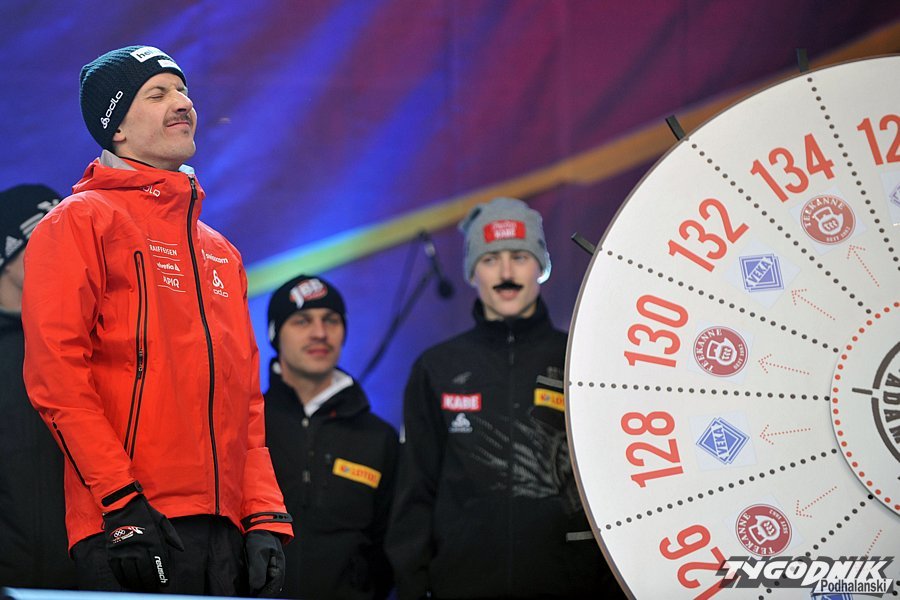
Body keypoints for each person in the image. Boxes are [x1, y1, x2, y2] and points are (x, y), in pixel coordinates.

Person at [21, 45, 293, 595]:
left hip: (226, 530)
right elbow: (56, 380)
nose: (182, 102)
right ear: (116, 128)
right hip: (131, 521)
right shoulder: (79, 222)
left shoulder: (221, 252)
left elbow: (245, 401)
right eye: (157, 93)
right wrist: (120, 501)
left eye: (183, 90)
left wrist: (263, 514)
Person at [386, 197, 619, 599]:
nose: (506, 273)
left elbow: (615, 484)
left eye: (519, 257)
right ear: (472, 272)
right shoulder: (435, 368)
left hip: (572, 585)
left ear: (541, 267)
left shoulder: (582, 361)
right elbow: (415, 493)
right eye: (491, 259)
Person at [264, 274, 399, 599]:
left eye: (331, 320)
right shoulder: (245, 426)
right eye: (302, 320)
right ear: (275, 333)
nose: (320, 333)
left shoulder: (379, 437)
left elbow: (393, 545)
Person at [0, 184, 78, 589]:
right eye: (44, 236)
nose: (60, 251)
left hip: (89, 578)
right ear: (7, 253)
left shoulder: (92, 341)